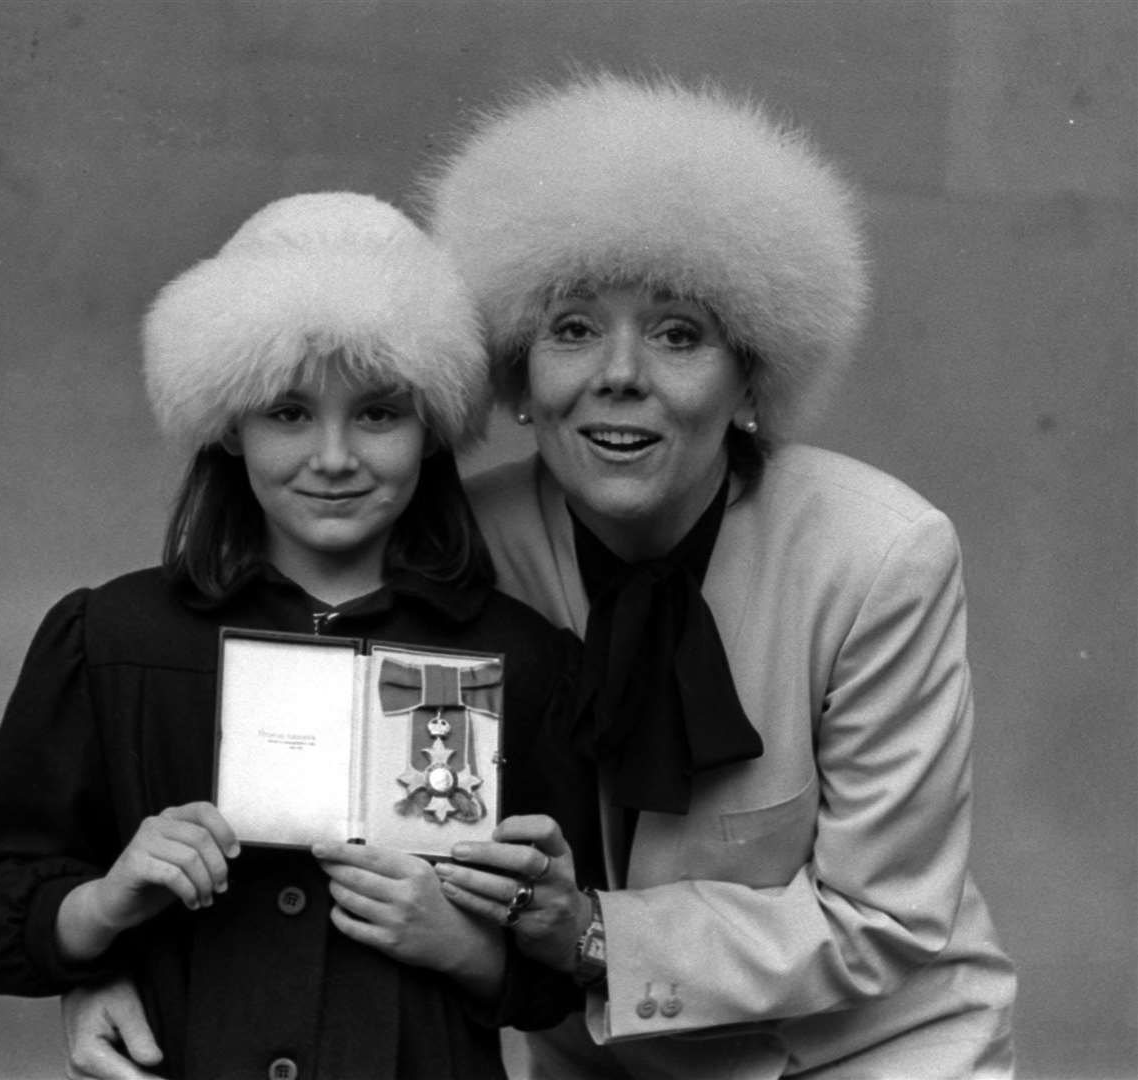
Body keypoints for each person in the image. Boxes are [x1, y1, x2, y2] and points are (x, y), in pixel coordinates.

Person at [63, 73, 1018, 1078]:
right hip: (598, 1063)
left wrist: (592, 935)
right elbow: (278, 795)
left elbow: (885, 918)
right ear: (517, 375)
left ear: (754, 377)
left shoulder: (876, 557)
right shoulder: (461, 544)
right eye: (571, 329)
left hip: (874, 1051)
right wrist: (107, 967)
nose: (618, 374)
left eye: (678, 334)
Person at [0, 192, 601, 1080]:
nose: (333, 458)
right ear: (227, 425)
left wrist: (463, 947)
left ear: (435, 426)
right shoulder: (111, 638)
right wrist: (107, 904)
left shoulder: (521, 659)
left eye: (378, 414)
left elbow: (558, 975)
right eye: (287, 414)